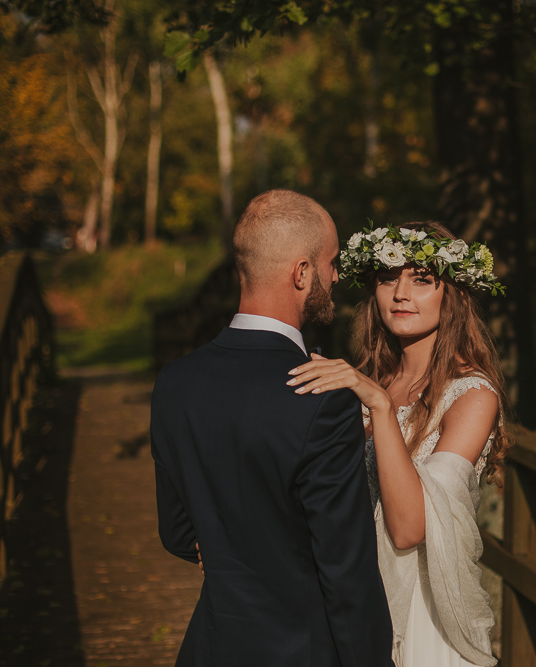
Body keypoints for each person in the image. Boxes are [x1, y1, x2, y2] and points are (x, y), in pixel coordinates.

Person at [150, 189, 394, 667]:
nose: (336, 276)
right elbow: (345, 570)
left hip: (211, 648)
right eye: (331, 263)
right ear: (301, 273)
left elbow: (177, 532)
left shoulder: (175, 381)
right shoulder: (321, 397)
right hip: (301, 650)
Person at [288, 222, 509, 667]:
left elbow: (410, 529)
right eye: (388, 278)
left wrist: (380, 407)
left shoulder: (471, 395)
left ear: (453, 296)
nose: (400, 294)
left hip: (427, 615)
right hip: (358, 600)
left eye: (421, 280)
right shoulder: (370, 380)